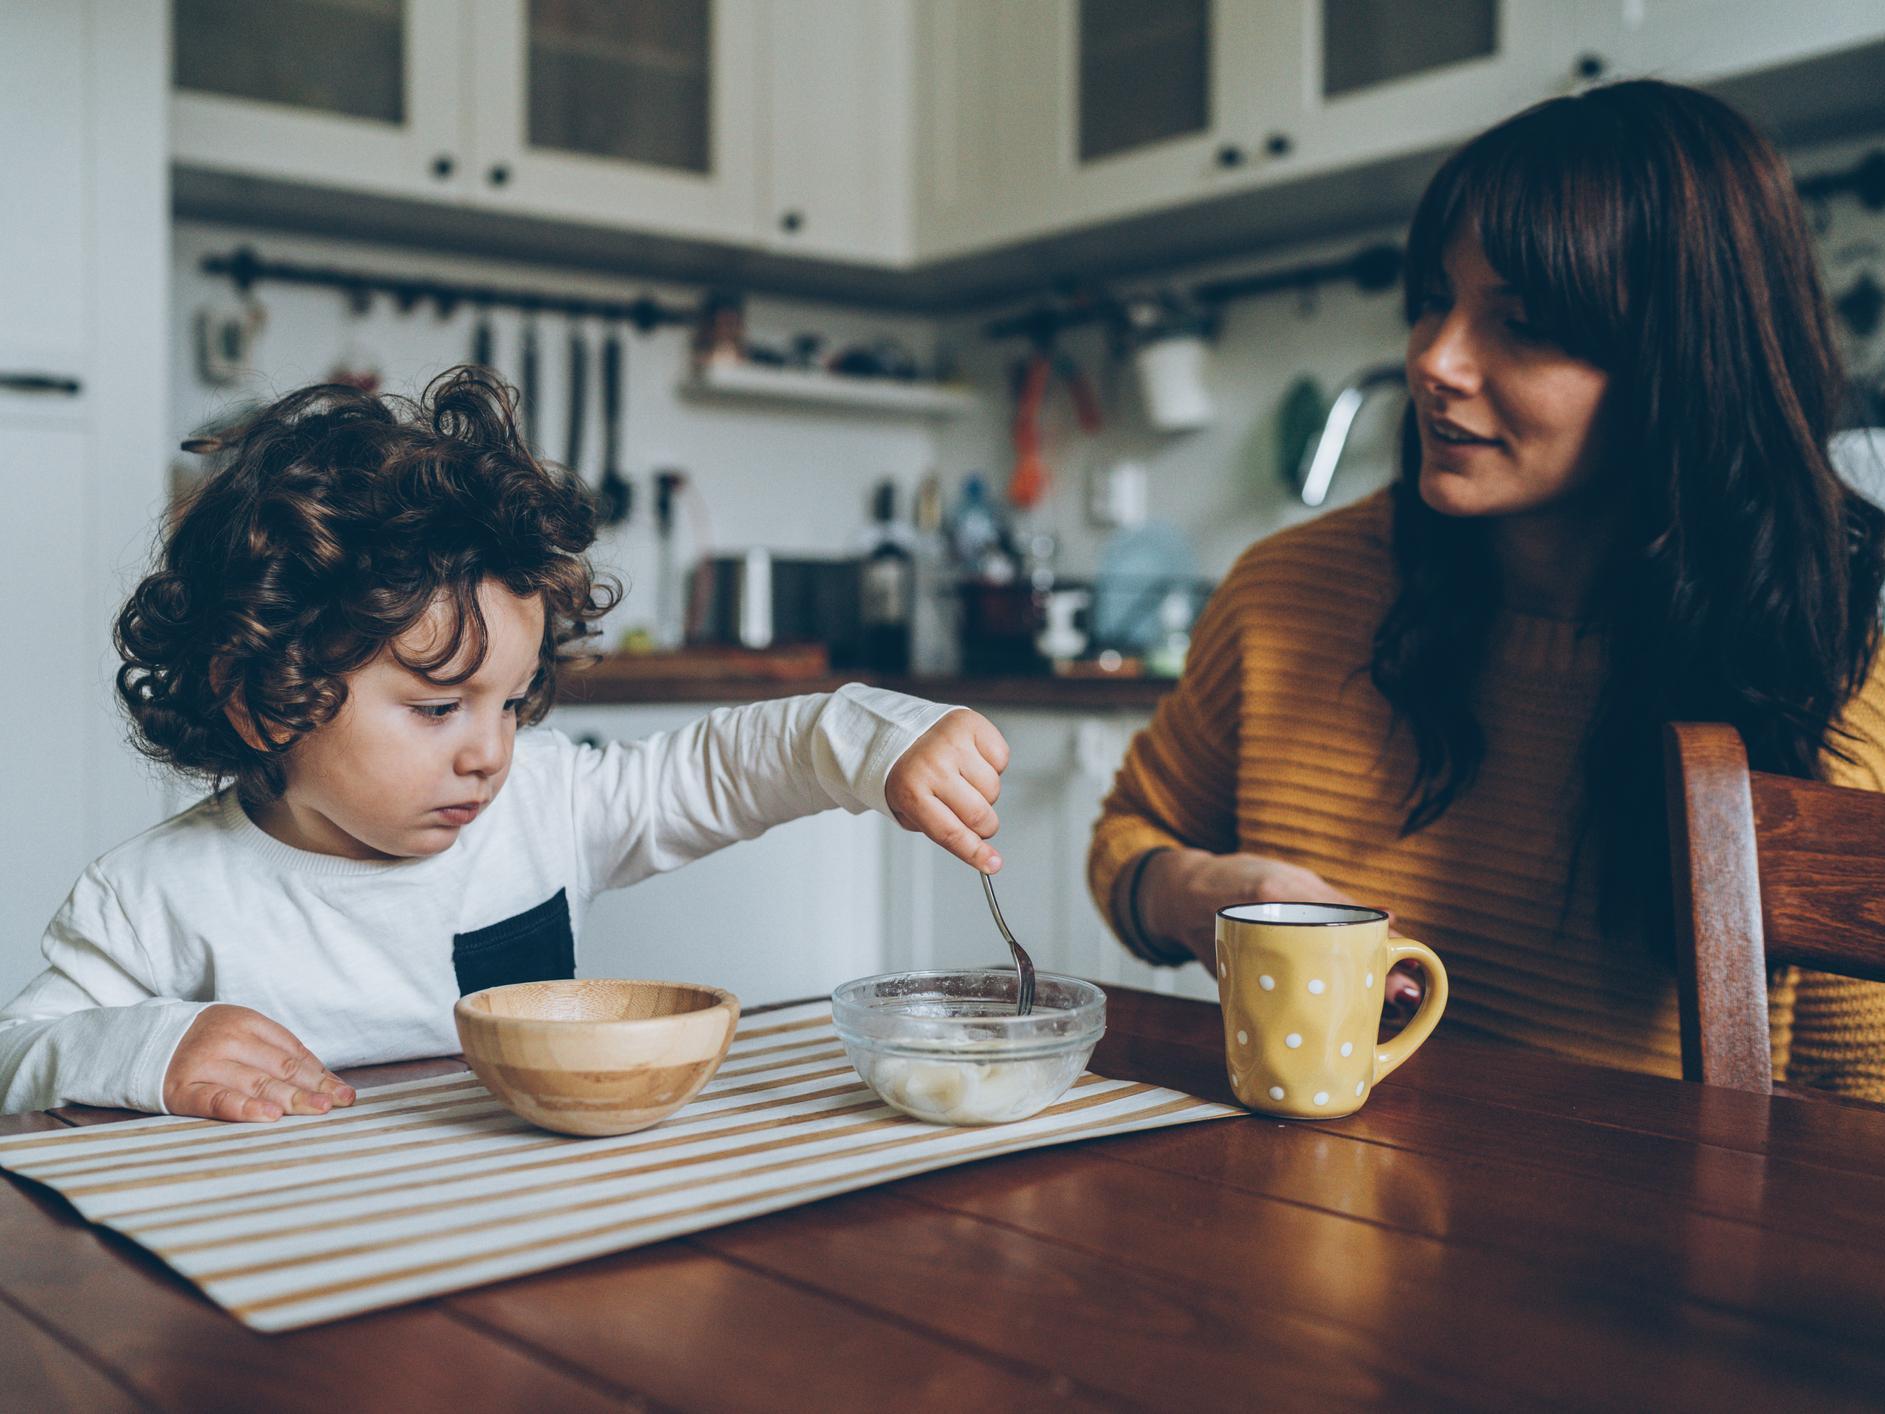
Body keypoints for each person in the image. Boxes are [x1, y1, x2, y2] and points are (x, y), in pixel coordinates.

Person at [1089, 80, 1885, 1098]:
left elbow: (1858, 1123)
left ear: (1683, 364)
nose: (1433, 359)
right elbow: (1126, 839)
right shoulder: (1286, 591)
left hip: (1633, 1250)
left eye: (1523, 322)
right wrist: (1192, 890)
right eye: (1432, 299)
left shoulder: (1829, 661)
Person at [0, 368, 1010, 1118]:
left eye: (514, 701)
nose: (489, 751)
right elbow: (16, 1053)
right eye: (439, 707)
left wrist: (880, 740)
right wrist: (153, 1048)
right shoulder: (154, 896)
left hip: (520, 1249)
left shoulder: (545, 805)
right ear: (267, 698)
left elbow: (728, 768)